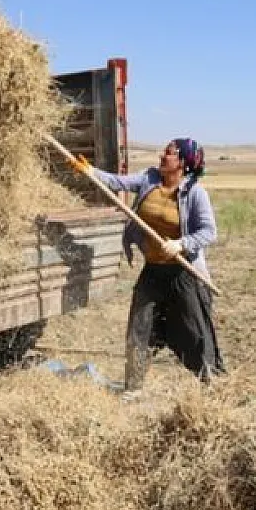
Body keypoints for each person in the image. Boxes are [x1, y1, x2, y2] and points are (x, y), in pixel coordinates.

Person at [77, 138, 224, 391]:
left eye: (169, 153)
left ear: (183, 164)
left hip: (183, 273)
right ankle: (132, 388)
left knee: (196, 333)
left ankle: (213, 387)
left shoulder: (195, 193)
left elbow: (209, 232)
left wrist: (182, 243)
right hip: (154, 271)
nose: (162, 156)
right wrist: (90, 172)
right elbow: (117, 182)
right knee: (139, 328)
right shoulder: (149, 179)